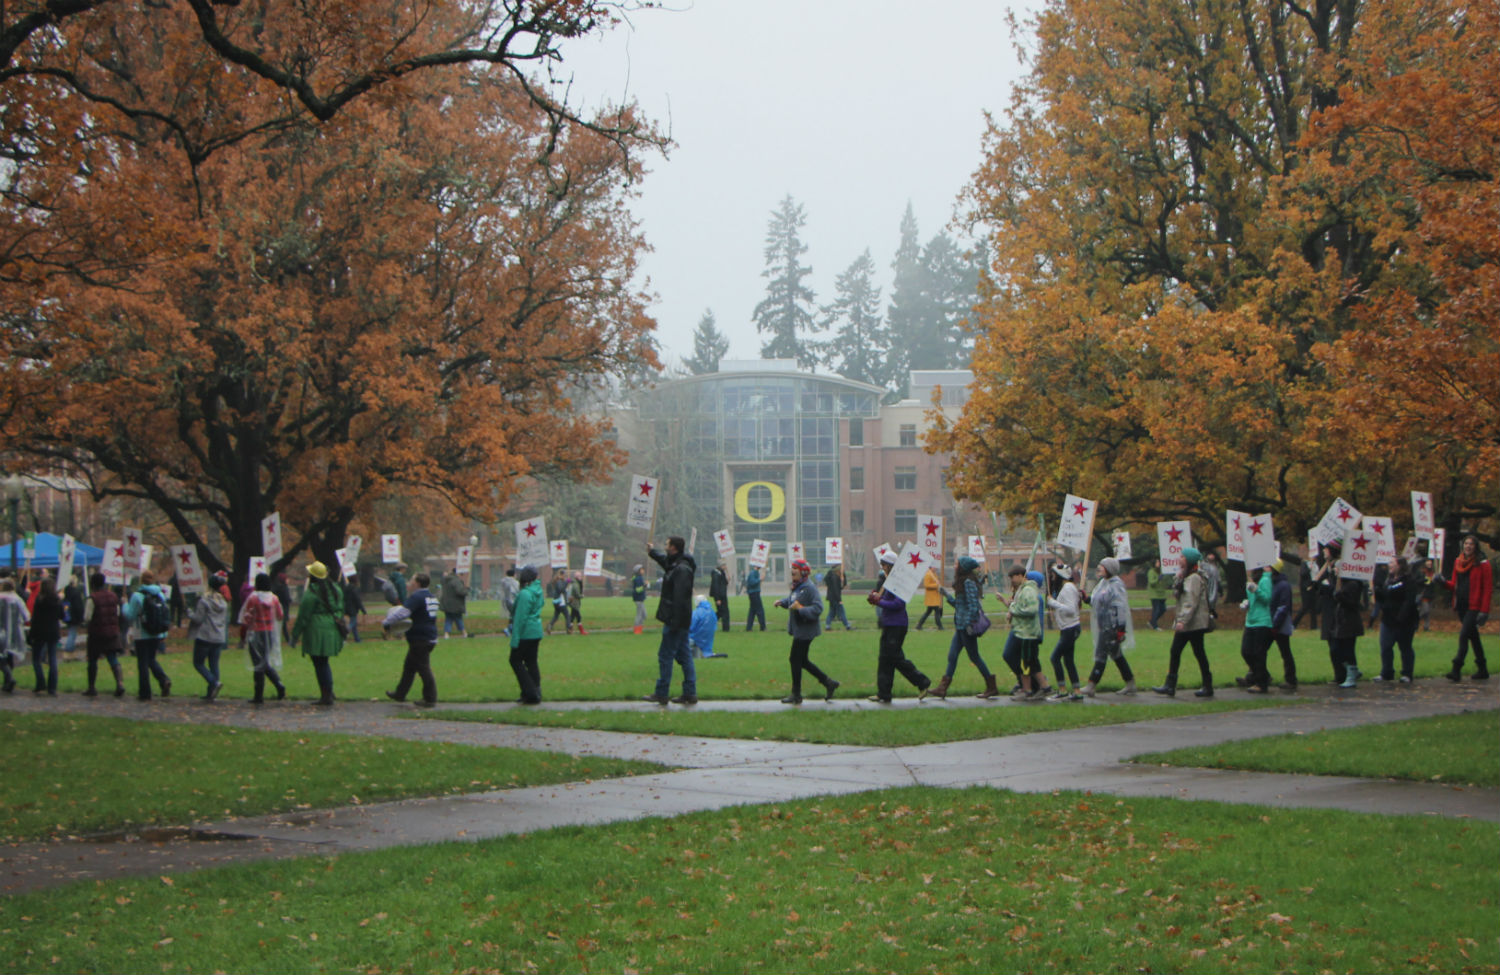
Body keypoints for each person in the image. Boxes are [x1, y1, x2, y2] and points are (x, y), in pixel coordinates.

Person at [928, 555, 996, 700]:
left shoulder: (969, 583)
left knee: (975, 657)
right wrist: (946, 595)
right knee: (952, 656)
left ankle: (991, 686)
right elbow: (959, 605)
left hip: (966, 627)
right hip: (960, 625)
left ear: (963, 567)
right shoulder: (962, 582)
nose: (955, 566)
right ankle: (942, 688)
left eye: (957, 564)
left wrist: (970, 624)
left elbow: (973, 605)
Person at [866, 553, 931, 703]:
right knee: (884, 659)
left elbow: (898, 604)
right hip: (889, 624)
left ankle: (922, 681)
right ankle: (884, 693)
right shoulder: (889, 581)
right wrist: (877, 597)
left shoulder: (899, 581)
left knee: (894, 658)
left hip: (897, 625)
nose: (882, 568)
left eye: (883, 565)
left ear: (889, 566)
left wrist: (879, 602)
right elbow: (887, 600)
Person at [643, 536, 697, 705]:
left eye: (666, 544)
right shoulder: (678, 564)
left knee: (665, 655)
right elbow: (664, 561)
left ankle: (662, 692)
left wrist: (674, 621)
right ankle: (689, 692)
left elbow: (680, 598)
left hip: (676, 620)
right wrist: (652, 552)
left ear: (673, 547)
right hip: (680, 620)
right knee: (685, 655)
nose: (665, 547)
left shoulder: (681, 569)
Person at [1152, 548, 1212, 697]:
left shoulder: (1194, 579)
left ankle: (1173, 685)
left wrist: (1182, 621)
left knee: (1183, 651)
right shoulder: (1187, 577)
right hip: (1191, 623)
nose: (1179, 559)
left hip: (1192, 624)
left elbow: (1190, 601)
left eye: (1182, 557)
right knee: (1192, 652)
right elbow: (1178, 594)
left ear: (1189, 560)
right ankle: (1176, 685)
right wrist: (1178, 579)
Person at [777, 558, 836, 703]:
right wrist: (782, 602)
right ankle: (829, 683)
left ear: (803, 572)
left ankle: (796, 695)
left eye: (795, 569)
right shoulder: (797, 586)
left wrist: (802, 609)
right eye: (792, 569)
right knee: (802, 661)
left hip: (806, 631)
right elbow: (793, 600)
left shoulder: (809, 587)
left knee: (795, 659)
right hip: (799, 629)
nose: (792, 571)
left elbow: (818, 608)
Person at [291, 560, 346, 706]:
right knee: (324, 662)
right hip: (332, 629)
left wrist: (295, 634)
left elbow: (303, 615)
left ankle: (326, 695)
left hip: (316, 630)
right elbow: (340, 609)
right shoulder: (335, 589)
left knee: (320, 664)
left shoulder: (312, 592)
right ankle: (329, 691)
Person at [1436, 535, 1491, 681]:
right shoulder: (1458, 562)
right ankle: (1482, 668)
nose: (1468, 546)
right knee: (1473, 637)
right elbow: (1454, 585)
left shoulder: (1483, 564)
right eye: (1466, 543)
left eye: (1471, 544)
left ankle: (1456, 668)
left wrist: (1484, 610)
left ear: (1476, 547)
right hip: (1461, 604)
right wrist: (1442, 582)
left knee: (1464, 635)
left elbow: (1487, 589)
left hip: (1474, 606)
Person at [1081, 557, 1137, 697]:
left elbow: (1120, 606)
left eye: (1103, 566)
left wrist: (1120, 628)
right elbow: (1097, 602)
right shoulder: (1103, 583)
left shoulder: (1116, 585)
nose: (1099, 568)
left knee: (1101, 655)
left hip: (1111, 626)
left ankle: (1092, 684)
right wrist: (1087, 598)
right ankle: (1130, 683)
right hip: (1103, 625)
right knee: (1116, 655)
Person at [385, 571, 440, 707]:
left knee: (423, 668)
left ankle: (430, 698)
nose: (408, 583)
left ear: (417, 583)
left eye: (411, 581)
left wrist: (386, 622)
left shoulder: (417, 597)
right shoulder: (431, 597)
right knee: (409, 666)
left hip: (420, 638)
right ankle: (400, 693)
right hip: (430, 636)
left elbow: (403, 613)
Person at [1315, 541, 1365, 688]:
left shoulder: (1352, 584)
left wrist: (1335, 592)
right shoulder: (1334, 575)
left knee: (1346, 648)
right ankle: (1348, 672)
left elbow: (1350, 600)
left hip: (1347, 620)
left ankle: (1350, 673)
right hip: (1339, 618)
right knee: (1338, 648)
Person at [122, 569, 173, 700]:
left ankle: (145, 693)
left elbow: (129, 615)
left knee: (143, 663)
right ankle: (163, 679)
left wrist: (124, 605)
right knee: (151, 659)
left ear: (141, 580)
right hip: (156, 633)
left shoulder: (137, 596)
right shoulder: (160, 594)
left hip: (142, 633)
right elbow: (164, 615)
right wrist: (163, 633)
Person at [1000, 567, 1049, 699]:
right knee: (1029, 662)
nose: (1011, 580)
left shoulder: (1028, 591)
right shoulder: (1024, 590)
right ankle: (1039, 686)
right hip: (1023, 631)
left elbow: (1031, 610)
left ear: (1021, 575)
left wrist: (1013, 609)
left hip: (1027, 633)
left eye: (1012, 577)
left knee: (1027, 662)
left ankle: (1031, 688)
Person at [238, 572, 287, 703]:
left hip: (256, 633)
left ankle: (259, 694)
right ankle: (278, 684)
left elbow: (246, 618)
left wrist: (242, 636)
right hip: (269, 633)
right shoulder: (274, 599)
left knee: (258, 665)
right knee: (264, 661)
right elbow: (280, 615)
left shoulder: (253, 599)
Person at [1374, 556, 1420, 684]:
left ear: (1399, 565)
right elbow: (1384, 597)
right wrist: (1377, 591)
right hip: (1387, 619)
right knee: (1385, 646)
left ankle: (1407, 673)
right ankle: (1387, 672)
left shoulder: (1408, 580)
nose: (1389, 565)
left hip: (1404, 621)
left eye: (1392, 563)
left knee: (1405, 647)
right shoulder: (1388, 580)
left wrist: (1401, 616)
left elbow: (1409, 600)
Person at [188, 570, 231, 701]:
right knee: (214, 664)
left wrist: (189, 613)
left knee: (198, 663)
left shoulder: (204, 601)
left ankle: (213, 682)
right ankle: (211, 693)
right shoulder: (223, 602)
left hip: (205, 636)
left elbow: (198, 619)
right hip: (218, 637)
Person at [81, 572, 125, 697]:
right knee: (112, 658)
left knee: (93, 661)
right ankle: (120, 683)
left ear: (93, 584)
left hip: (96, 633)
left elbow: (87, 617)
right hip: (111, 632)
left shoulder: (92, 598)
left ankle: (91, 687)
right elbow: (117, 613)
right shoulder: (113, 596)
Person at [1045, 563, 1083, 701]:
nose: (1052, 577)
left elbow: (1071, 609)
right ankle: (1077, 691)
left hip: (1070, 628)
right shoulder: (1069, 587)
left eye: (1054, 574)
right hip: (1068, 628)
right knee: (1068, 660)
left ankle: (1062, 690)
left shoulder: (1067, 588)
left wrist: (1053, 603)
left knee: (1055, 658)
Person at [508, 565, 545, 703]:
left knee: (515, 660)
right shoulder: (538, 591)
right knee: (531, 662)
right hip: (536, 630)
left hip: (526, 632)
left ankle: (530, 692)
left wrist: (515, 638)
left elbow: (520, 619)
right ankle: (535, 691)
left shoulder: (525, 594)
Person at [1237, 565, 1274, 693]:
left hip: (1262, 621)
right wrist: (1247, 602)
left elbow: (1267, 599)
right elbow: (1253, 599)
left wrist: (1256, 590)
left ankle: (1261, 683)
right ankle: (1262, 675)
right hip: (1250, 621)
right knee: (1246, 651)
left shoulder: (1264, 580)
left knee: (1259, 653)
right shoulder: (1251, 580)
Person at [28, 577, 64, 695]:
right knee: (53, 659)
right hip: (53, 631)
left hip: (40, 631)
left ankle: (40, 682)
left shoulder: (40, 600)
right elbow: (62, 615)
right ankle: (52, 687)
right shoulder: (57, 600)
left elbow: (35, 618)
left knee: (36, 659)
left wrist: (31, 634)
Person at [1268, 559, 1299, 689]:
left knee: (1285, 651)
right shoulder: (1273, 584)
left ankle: (1291, 679)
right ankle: (1255, 674)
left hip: (1278, 624)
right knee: (1260, 649)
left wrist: (1275, 625)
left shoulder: (1283, 586)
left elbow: (1283, 607)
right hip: (1272, 623)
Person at [0, 577, 30, 693]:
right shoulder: (17, 599)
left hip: (1, 632)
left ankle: (9, 679)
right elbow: (26, 615)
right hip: (14, 633)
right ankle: (8, 680)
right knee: (9, 656)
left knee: (1, 657)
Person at [439, 567, 470, 638]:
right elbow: (460, 591)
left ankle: (446, 634)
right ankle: (464, 633)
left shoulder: (446, 580)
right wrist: (466, 590)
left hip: (446, 603)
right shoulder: (456, 581)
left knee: (448, 619)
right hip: (456, 603)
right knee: (458, 618)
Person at [824, 563, 853, 631]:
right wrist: (839, 600)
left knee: (832, 612)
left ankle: (827, 625)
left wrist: (844, 576)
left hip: (831, 598)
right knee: (841, 612)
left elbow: (841, 586)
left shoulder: (832, 577)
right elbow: (836, 589)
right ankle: (847, 625)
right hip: (835, 598)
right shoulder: (835, 578)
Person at [1146, 559, 1171, 630]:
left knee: (1163, 609)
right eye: (1157, 562)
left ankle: (1152, 622)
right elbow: (1152, 582)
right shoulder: (1151, 572)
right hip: (1154, 594)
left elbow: (1165, 582)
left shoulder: (1162, 571)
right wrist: (1158, 579)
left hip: (1162, 594)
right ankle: (1155, 626)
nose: (1159, 563)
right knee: (1156, 609)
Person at [62, 574, 84, 656]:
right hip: (74, 616)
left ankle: (69, 647)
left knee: (71, 631)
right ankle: (69, 648)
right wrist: (81, 617)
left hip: (68, 614)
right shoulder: (76, 592)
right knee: (72, 633)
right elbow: (78, 606)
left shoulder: (66, 592)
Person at [545, 569, 571, 635]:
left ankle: (549, 626)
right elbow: (561, 589)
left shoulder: (558, 581)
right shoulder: (559, 582)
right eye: (564, 575)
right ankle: (568, 629)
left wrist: (568, 581)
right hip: (560, 602)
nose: (564, 577)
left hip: (556, 602)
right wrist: (566, 583)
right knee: (567, 615)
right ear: (561, 575)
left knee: (556, 616)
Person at [343, 576, 366, 643]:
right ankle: (344, 632)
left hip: (346, 607)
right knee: (353, 623)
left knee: (354, 625)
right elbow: (358, 600)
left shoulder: (346, 588)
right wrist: (363, 610)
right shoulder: (354, 589)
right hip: (352, 608)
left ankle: (357, 638)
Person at [499, 566, 520, 637]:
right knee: (516, 616)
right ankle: (509, 629)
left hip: (506, 601)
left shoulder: (504, 581)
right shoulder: (514, 582)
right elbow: (516, 591)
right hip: (513, 601)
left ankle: (510, 629)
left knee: (512, 616)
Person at [709, 561, 731, 632]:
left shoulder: (721, 573)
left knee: (722, 612)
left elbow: (725, 583)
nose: (725, 567)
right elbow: (715, 587)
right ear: (720, 566)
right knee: (723, 612)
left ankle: (711, 623)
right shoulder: (716, 574)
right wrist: (717, 598)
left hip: (723, 595)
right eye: (724, 565)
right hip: (719, 596)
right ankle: (725, 628)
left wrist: (727, 574)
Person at [744, 563, 765, 631]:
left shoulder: (756, 573)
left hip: (754, 593)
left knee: (752, 611)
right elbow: (752, 582)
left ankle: (749, 627)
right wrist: (759, 579)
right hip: (754, 594)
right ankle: (763, 627)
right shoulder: (753, 573)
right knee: (760, 610)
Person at [629, 564, 648, 634]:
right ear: (638, 571)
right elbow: (638, 590)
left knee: (644, 615)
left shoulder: (638, 578)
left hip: (640, 599)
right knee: (639, 615)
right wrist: (645, 585)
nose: (643, 571)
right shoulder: (639, 578)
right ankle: (637, 630)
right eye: (642, 569)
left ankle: (639, 628)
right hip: (639, 599)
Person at [567, 571, 587, 635]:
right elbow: (577, 594)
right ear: (577, 577)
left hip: (573, 602)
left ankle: (570, 629)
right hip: (575, 603)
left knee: (572, 616)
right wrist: (582, 596)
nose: (581, 577)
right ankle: (581, 631)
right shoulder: (576, 584)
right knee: (578, 617)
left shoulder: (575, 583)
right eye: (580, 576)